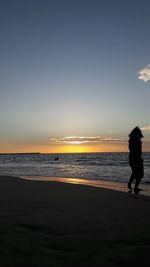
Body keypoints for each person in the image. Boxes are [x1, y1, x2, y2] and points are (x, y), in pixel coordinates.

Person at [128, 126, 144, 194]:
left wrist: (139, 158)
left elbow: (138, 150)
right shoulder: (132, 140)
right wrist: (138, 158)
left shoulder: (137, 141)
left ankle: (134, 186)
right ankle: (133, 186)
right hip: (134, 158)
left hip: (136, 158)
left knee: (139, 174)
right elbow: (132, 150)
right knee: (137, 173)